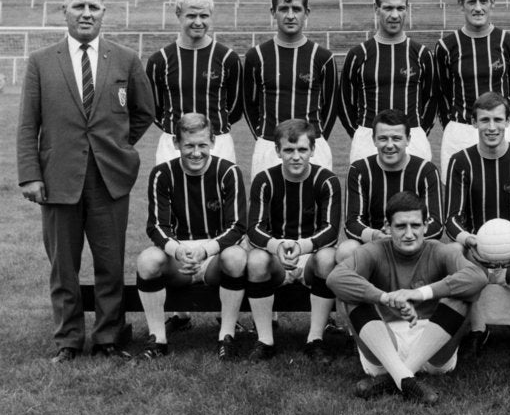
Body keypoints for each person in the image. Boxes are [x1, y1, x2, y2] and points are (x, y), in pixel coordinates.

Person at [17, 0, 154, 361]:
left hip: (109, 178)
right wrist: (31, 174)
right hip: (58, 178)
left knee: (110, 264)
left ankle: (108, 337)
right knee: (64, 267)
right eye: (79, 6)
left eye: (93, 7)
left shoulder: (125, 58)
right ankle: (68, 340)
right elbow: (28, 124)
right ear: (64, 11)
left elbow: (144, 111)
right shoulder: (41, 61)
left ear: (104, 12)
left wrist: (117, 145)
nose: (86, 13)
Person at [329, 191, 488, 405]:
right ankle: (404, 378)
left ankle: (395, 378)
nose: (409, 234)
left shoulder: (439, 251)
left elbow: (478, 277)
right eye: (401, 226)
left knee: (463, 294)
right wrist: (384, 297)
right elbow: (336, 278)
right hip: (384, 345)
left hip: (433, 346)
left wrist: (420, 293)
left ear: (426, 226)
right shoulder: (373, 250)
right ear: (387, 227)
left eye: (415, 225)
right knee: (352, 294)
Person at [147, 0, 243, 332]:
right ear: (178, 15)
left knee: (222, 215)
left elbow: (235, 105)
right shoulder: (160, 60)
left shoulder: (227, 58)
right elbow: (154, 107)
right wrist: (179, 135)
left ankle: (224, 306)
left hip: (217, 141)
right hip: (174, 143)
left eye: (204, 15)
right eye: (191, 15)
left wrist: (211, 133)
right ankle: (179, 309)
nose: (198, 21)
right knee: (173, 213)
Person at [134, 113, 248, 360]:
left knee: (237, 257)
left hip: (214, 255)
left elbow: (238, 226)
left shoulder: (229, 172)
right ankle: (158, 339)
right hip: (179, 257)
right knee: (147, 260)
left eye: (202, 145)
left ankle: (226, 336)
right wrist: (177, 250)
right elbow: (156, 226)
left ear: (213, 142)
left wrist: (205, 250)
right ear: (176, 143)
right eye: (189, 145)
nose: (196, 153)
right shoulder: (162, 174)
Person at [445, 91, 510, 359]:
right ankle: (478, 330)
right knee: (452, 250)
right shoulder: (460, 161)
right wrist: (469, 240)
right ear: (474, 123)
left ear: (508, 122)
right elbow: (451, 218)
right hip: (476, 254)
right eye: (484, 120)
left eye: (498, 120)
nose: (491, 127)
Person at [246, 119, 342, 362]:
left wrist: (301, 246)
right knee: (256, 259)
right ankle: (265, 340)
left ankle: (315, 340)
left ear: (313, 149)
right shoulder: (264, 180)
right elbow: (254, 228)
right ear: (278, 151)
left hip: (310, 256)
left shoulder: (327, 180)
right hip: (276, 257)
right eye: (289, 150)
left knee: (328, 257)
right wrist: (277, 246)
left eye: (302, 149)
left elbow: (331, 230)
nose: (296, 156)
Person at [242, 0, 337, 178]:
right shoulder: (256, 56)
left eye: (296, 9)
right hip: (269, 146)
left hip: (313, 147)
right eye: (284, 9)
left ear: (306, 13)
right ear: (273, 12)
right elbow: (248, 105)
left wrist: (314, 138)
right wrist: (264, 137)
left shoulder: (323, 57)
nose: (290, 15)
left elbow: (331, 106)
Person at [434, 0, 510, 181]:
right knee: (458, 194)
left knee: (505, 189)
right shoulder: (446, 46)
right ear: (461, 4)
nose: (478, 8)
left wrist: (507, 125)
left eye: (483, 1)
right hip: (460, 131)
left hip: (500, 128)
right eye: (471, 2)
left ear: (493, 2)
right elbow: (442, 93)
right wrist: (454, 125)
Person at [339, 0, 436, 165]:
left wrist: (416, 132)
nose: (394, 15)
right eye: (388, 8)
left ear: (407, 9)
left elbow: (431, 99)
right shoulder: (358, 54)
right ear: (376, 9)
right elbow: (345, 101)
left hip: (412, 138)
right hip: (368, 138)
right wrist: (361, 132)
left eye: (400, 8)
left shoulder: (422, 54)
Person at [335, 109, 444, 263]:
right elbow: (352, 223)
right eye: (383, 138)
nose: (390, 145)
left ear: (408, 139)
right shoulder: (359, 170)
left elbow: (436, 224)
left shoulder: (426, 170)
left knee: (441, 249)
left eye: (396, 138)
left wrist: (402, 235)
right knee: (347, 250)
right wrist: (377, 236)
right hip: (374, 245)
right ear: (374, 140)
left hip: (413, 243)